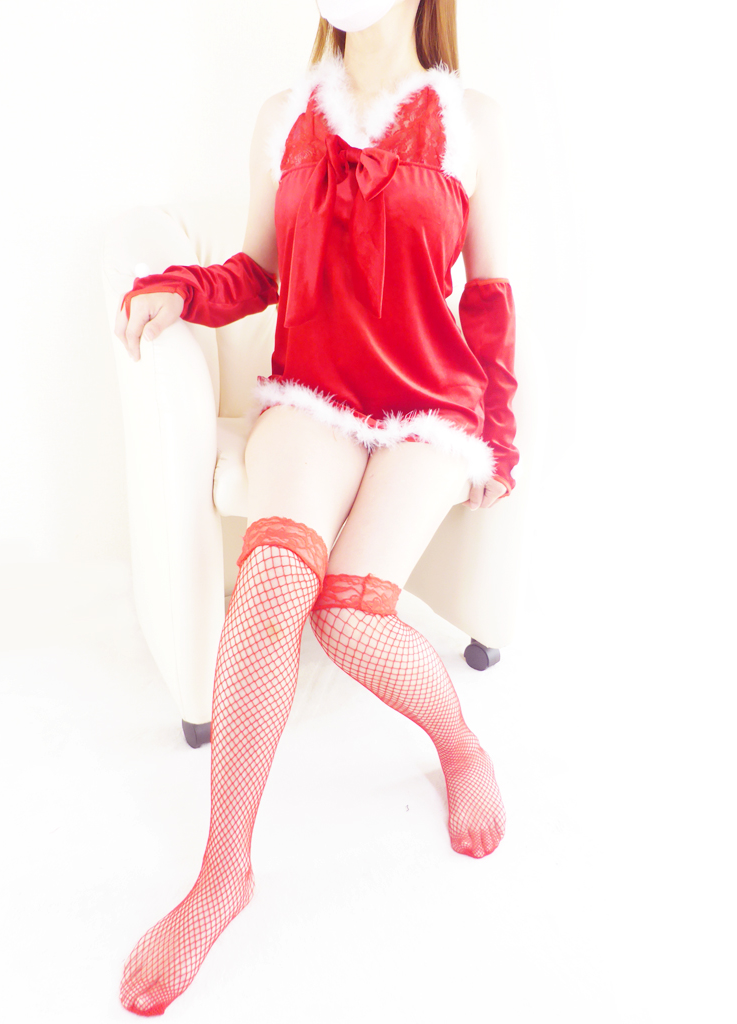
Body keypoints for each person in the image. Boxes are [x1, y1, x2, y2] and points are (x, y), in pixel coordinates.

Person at [113, 0, 518, 1015]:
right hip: (313, 396)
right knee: (272, 589)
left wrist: (499, 437)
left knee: (348, 615)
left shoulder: (472, 119)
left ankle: (460, 745)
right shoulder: (282, 116)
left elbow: (490, 299)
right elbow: (257, 271)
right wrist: (179, 290)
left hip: (428, 406)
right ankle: (222, 874)